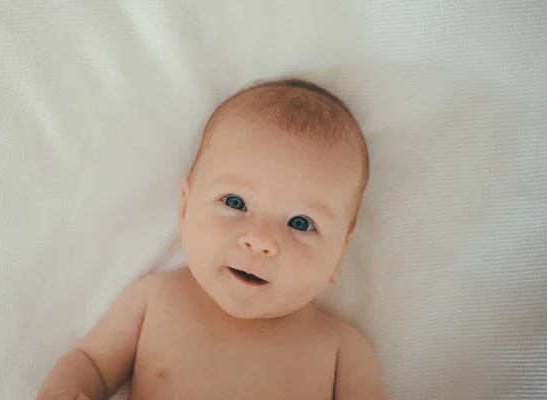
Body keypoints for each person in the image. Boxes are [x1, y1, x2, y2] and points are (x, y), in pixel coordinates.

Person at [37, 78, 385, 400]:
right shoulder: (155, 299)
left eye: (300, 223)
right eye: (236, 203)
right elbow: (91, 363)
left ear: (339, 253)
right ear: (185, 209)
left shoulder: (341, 349)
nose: (260, 240)